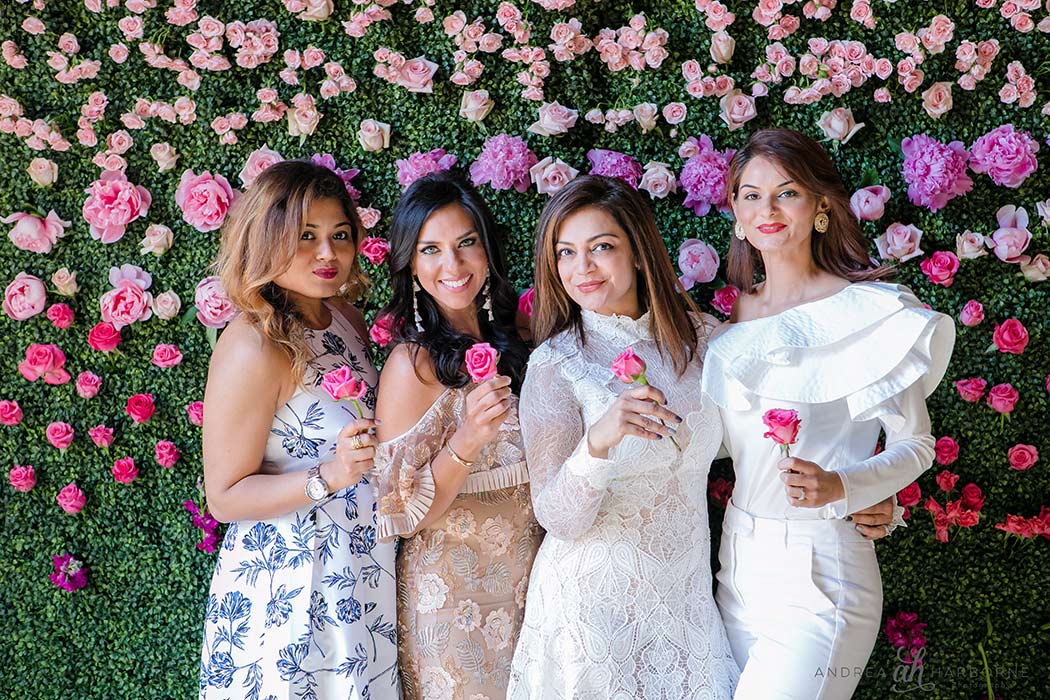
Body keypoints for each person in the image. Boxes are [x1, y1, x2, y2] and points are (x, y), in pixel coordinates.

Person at [701, 128, 956, 699]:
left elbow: (916, 443)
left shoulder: (869, 312)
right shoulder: (727, 329)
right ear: (736, 214)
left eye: (786, 193)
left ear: (820, 206)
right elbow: (705, 448)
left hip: (821, 572)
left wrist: (846, 485)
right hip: (734, 570)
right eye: (750, 194)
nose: (766, 209)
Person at [508, 175, 740, 699]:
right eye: (566, 253)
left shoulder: (704, 340)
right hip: (592, 609)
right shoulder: (558, 363)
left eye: (601, 247)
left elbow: (751, 440)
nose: (582, 268)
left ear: (638, 252)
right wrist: (599, 442)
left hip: (685, 601)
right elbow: (557, 516)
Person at [197, 161, 399, 700]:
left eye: (339, 235)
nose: (328, 254)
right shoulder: (252, 344)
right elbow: (225, 495)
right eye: (306, 237)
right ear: (267, 238)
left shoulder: (344, 320)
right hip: (288, 578)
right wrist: (328, 474)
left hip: (359, 568)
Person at [372, 172, 543, 699]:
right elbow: (398, 511)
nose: (453, 265)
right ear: (412, 266)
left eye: (466, 243)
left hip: (533, 584)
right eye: (431, 250)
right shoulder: (411, 366)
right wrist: (466, 440)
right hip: (451, 598)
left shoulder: (524, 340)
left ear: (486, 249)